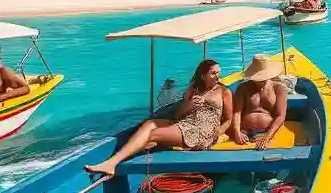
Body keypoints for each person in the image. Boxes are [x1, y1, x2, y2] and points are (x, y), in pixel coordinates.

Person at [85, 59, 234, 176]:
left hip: (202, 130)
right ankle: (117, 161)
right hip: (187, 123)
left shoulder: (224, 91)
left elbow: (228, 120)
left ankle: (114, 162)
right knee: (150, 124)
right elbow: (178, 115)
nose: (218, 76)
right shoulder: (194, 89)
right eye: (213, 73)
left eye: (218, 72)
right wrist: (188, 105)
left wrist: (214, 137)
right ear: (203, 75)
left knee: (153, 135)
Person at [232, 55, 292, 149]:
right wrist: (237, 132)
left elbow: (280, 116)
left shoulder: (279, 88)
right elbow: (236, 112)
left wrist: (268, 136)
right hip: (245, 131)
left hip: (269, 131)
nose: (260, 81)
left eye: (262, 79)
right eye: (257, 79)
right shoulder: (243, 88)